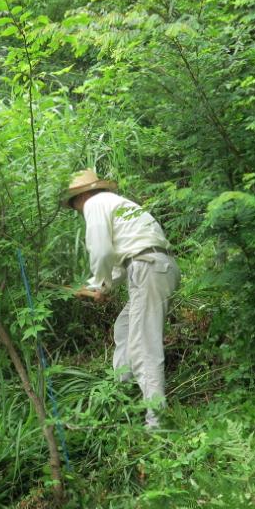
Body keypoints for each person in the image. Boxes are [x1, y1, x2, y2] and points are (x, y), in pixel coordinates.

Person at [63, 170, 180, 429]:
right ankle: (120, 397)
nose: (77, 211)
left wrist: (96, 284)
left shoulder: (95, 204)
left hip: (147, 267)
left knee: (143, 346)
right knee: (125, 329)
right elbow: (120, 263)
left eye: (75, 205)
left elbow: (102, 251)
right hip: (160, 267)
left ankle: (156, 422)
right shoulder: (117, 204)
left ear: (82, 197)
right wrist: (104, 288)